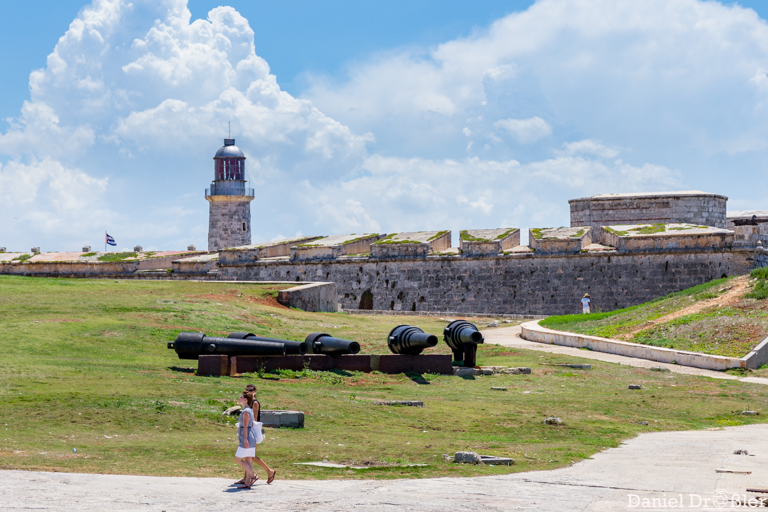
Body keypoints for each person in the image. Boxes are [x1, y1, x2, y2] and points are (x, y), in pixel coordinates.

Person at [234, 391, 256, 489]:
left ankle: (253, 476)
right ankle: (247, 483)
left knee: (238, 459)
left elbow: (246, 426)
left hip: (247, 437)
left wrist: (245, 439)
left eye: (241, 397)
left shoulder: (246, 411)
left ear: (245, 399)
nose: (239, 398)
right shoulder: (249, 410)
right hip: (250, 436)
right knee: (248, 460)